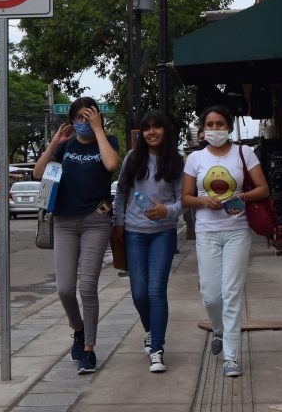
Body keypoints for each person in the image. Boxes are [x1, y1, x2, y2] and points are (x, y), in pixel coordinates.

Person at [33, 97, 120, 374]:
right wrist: (55, 143)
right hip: (65, 222)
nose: (83, 123)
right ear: (71, 121)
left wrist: (98, 130)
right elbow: (38, 173)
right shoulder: (66, 147)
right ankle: (78, 329)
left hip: (96, 221)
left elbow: (111, 165)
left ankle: (89, 349)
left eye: (89, 117)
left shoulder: (108, 141)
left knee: (88, 287)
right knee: (65, 288)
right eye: (79, 118)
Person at [181, 105, 269, 378]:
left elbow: (263, 188)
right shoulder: (195, 158)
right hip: (206, 232)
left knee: (231, 293)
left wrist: (240, 198)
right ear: (203, 129)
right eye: (210, 124)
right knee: (210, 295)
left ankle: (231, 356)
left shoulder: (244, 152)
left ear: (229, 127)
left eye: (220, 124)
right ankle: (217, 329)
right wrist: (202, 200)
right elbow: (185, 197)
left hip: (237, 230)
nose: (215, 129)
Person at [111, 110, 184, 373]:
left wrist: (167, 211)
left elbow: (182, 201)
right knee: (139, 292)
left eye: (157, 127)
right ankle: (150, 329)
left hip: (163, 233)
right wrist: (117, 223)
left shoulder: (176, 161)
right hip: (133, 233)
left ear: (166, 131)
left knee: (156, 291)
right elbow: (120, 191)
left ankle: (157, 349)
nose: (151, 132)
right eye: (146, 128)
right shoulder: (133, 158)